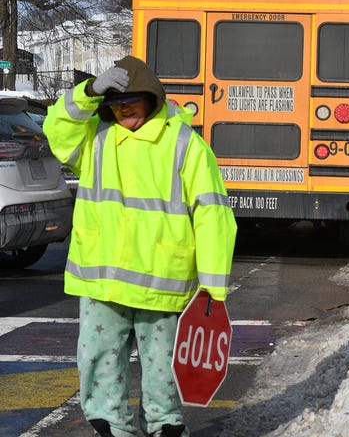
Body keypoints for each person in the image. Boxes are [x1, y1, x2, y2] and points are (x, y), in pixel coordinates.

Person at [43, 56, 237, 437]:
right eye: (114, 102)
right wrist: (87, 93)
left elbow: (212, 214)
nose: (122, 107)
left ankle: (165, 426)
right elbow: (56, 128)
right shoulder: (95, 139)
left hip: (161, 284)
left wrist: (213, 288)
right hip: (103, 282)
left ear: (153, 98)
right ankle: (109, 425)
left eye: (131, 99)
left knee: (162, 366)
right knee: (98, 359)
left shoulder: (185, 145)